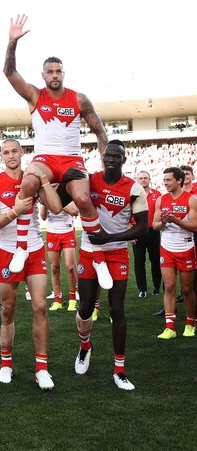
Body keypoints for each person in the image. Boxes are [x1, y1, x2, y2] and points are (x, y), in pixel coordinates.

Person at [3, 15, 111, 288]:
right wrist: (12, 43)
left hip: (72, 158)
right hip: (45, 159)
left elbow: (99, 129)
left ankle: (97, 256)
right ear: (43, 75)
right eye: (50, 71)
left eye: (58, 71)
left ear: (64, 73)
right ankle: (21, 246)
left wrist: (103, 154)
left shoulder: (78, 98)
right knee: (28, 182)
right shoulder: (35, 96)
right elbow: (9, 73)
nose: (54, 75)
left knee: (84, 199)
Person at [0, 139, 62, 390]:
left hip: (34, 248)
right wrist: (13, 212)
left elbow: (56, 209)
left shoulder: (34, 177)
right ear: (1, 156)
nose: (11, 155)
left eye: (15, 151)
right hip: (8, 251)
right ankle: (6, 363)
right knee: (8, 309)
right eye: (6, 152)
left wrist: (46, 183)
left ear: (22, 153)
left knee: (40, 306)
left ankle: (42, 368)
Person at [72, 141, 147, 391]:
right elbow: (65, 196)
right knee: (85, 306)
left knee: (117, 309)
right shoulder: (90, 181)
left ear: (124, 160)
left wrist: (110, 238)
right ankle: (85, 346)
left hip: (116, 254)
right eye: (108, 155)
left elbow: (142, 227)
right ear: (102, 158)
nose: (112, 159)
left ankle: (119, 369)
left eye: (117, 156)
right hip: (89, 252)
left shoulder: (134, 188)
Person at [153, 166, 197, 339]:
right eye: (164, 180)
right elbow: (155, 226)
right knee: (169, 287)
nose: (165, 183)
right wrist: (163, 223)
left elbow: (195, 226)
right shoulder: (161, 200)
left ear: (179, 181)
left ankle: (190, 324)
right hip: (167, 248)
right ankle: (170, 327)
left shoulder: (191, 199)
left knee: (187, 288)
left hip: (185, 248)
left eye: (168, 180)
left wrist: (176, 220)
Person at [40, 201, 79, 311]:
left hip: (68, 231)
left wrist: (56, 202)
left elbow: (74, 211)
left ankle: (72, 299)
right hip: (52, 233)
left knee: (70, 267)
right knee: (54, 267)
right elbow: (43, 217)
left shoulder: (67, 191)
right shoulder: (46, 194)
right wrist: (45, 204)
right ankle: (57, 300)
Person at [132, 170, 162, 297]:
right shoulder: (132, 195)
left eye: (145, 178)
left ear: (149, 179)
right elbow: (127, 213)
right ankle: (142, 289)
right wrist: (130, 231)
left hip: (153, 231)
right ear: (137, 180)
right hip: (137, 231)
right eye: (140, 178)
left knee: (156, 260)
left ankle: (156, 287)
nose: (143, 180)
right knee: (139, 261)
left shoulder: (157, 194)